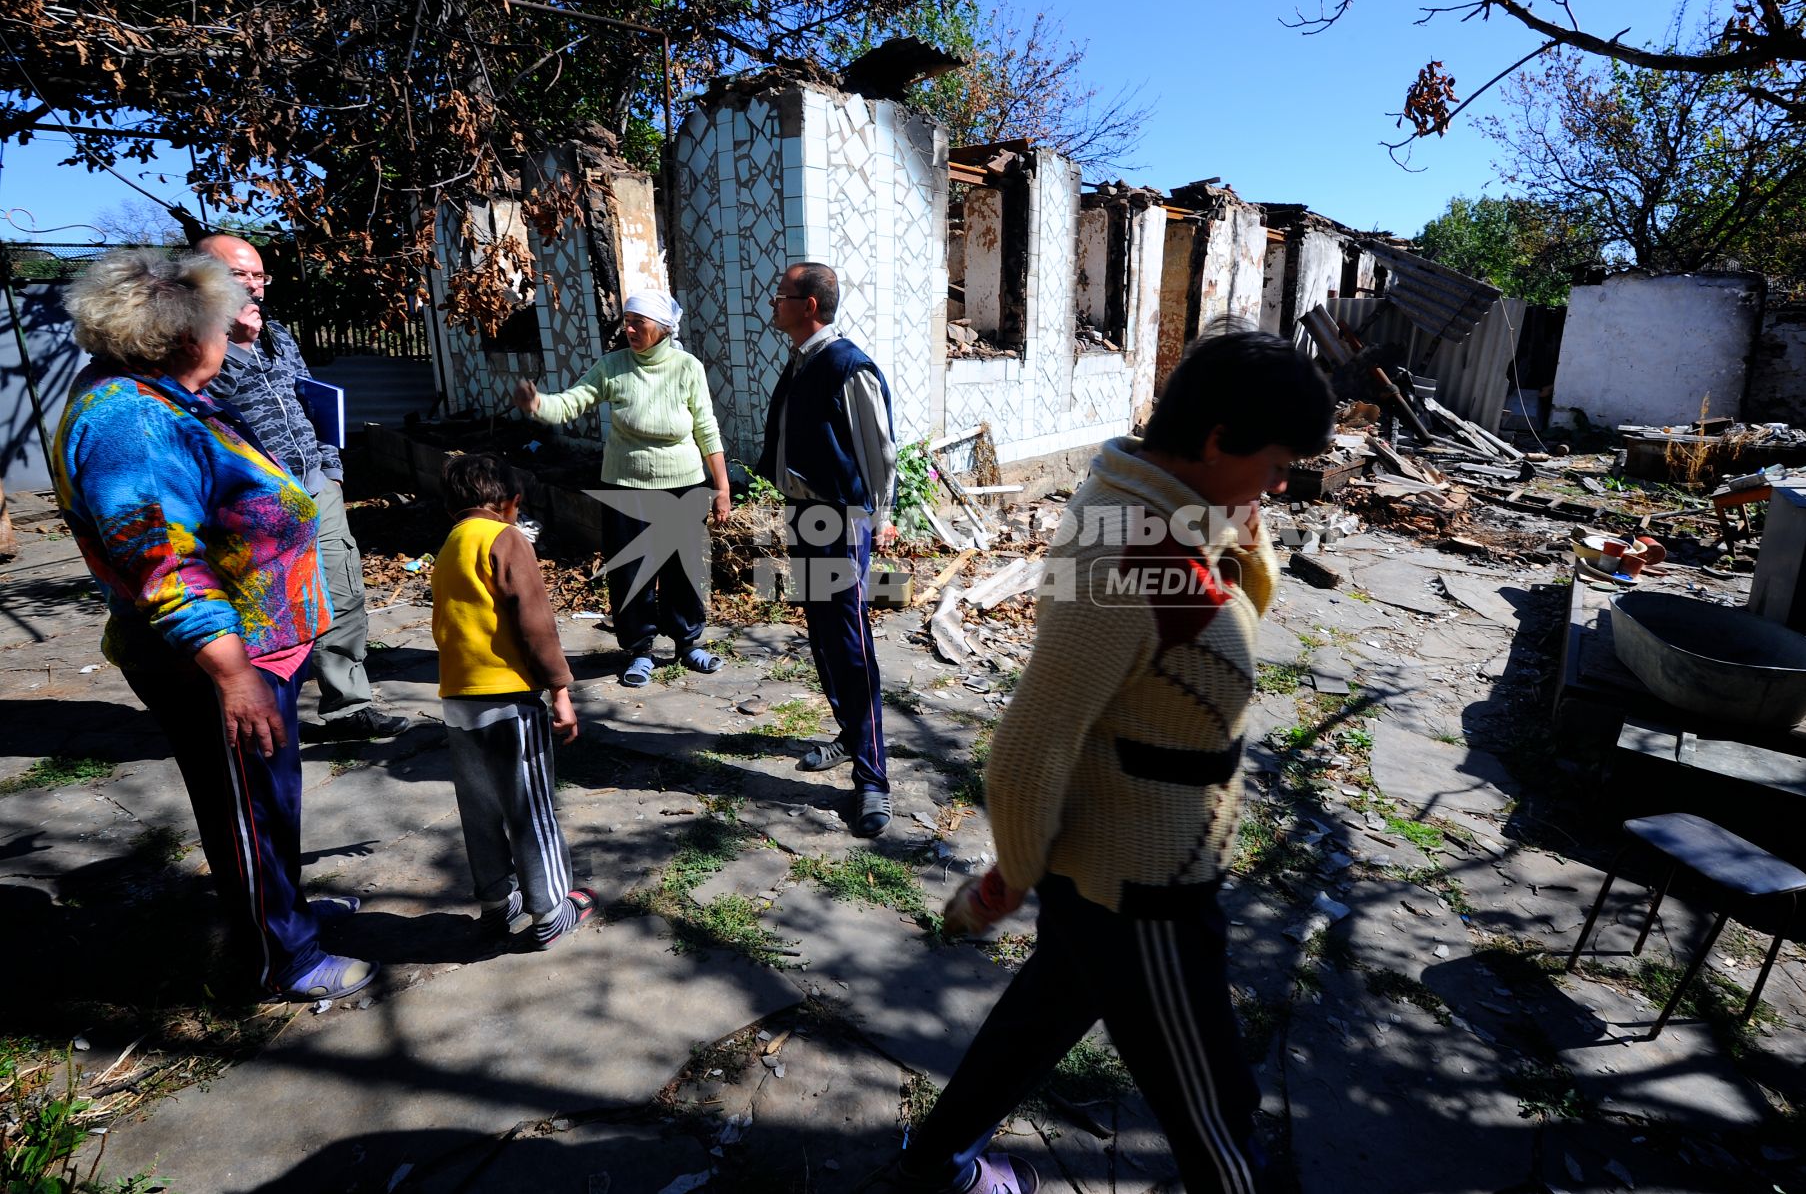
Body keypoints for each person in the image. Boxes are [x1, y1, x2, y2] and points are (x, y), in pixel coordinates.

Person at [880, 328, 1335, 1194]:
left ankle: (937, 1164)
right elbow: (1027, 747)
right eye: (1276, 464)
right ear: (1217, 439)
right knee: (1219, 1117)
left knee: (1045, 1012)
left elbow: (1231, 616)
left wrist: (1240, 523)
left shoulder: (1166, 507)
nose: (1279, 486)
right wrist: (1009, 873)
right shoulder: (1127, 555)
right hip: (1144, 890)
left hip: (1109, 869)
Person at [54, 248, 379, 1002]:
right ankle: (277, 956)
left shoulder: (164, 397)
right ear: (175, 337)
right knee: (249, 812)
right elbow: (164, 563)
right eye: (216, 323)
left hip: (258, 651)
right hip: (219, 664)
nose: (230, 332)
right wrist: (233, 675)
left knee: (266, 804)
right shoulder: (127, 422)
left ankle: (282, 914)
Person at [195, 233, 411, 742]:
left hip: (316, 484)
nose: (253, 286)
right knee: (267, 602)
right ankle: (263, 706)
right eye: (239, 276)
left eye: (258, 276)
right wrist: (235, 340)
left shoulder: (280, 334)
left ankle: (348, 706)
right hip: (252, 501)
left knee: (341, 587)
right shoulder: (189, 338)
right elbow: (203, 402)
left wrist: (331, 467)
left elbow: (309, 401)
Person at [512, 289, 730, 687]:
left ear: (662, 328)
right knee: (630, 572)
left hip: (683, 485)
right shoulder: (613, 366)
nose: (628, 328)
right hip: (625, 486)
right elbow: (574, 401)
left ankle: (688, 643)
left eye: (638, 323)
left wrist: (722, 487)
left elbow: (706, 426)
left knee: (683, 570)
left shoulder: (687, 368)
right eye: (627, 321)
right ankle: (640, 650)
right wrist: (538, 404)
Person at [430, 452, 598, 948]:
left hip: (458, 701)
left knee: (480, 810)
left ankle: (496, 902)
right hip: (507, 700)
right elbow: (535, 623)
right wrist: (560, 692)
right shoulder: (506, 539)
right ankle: (550, 910)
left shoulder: (449, 546)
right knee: (530, 808)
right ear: (510, 502)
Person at [757, 262, 899, 838]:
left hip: (840, 523)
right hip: (807, 517)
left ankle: (873, 780)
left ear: (809, 305)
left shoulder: (847, 367)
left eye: (782, 295)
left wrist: (878, 521)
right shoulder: (802, 362)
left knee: (850, 642)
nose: (774, 303)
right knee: (821, 633)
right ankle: (849, 733)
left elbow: (879, 454)